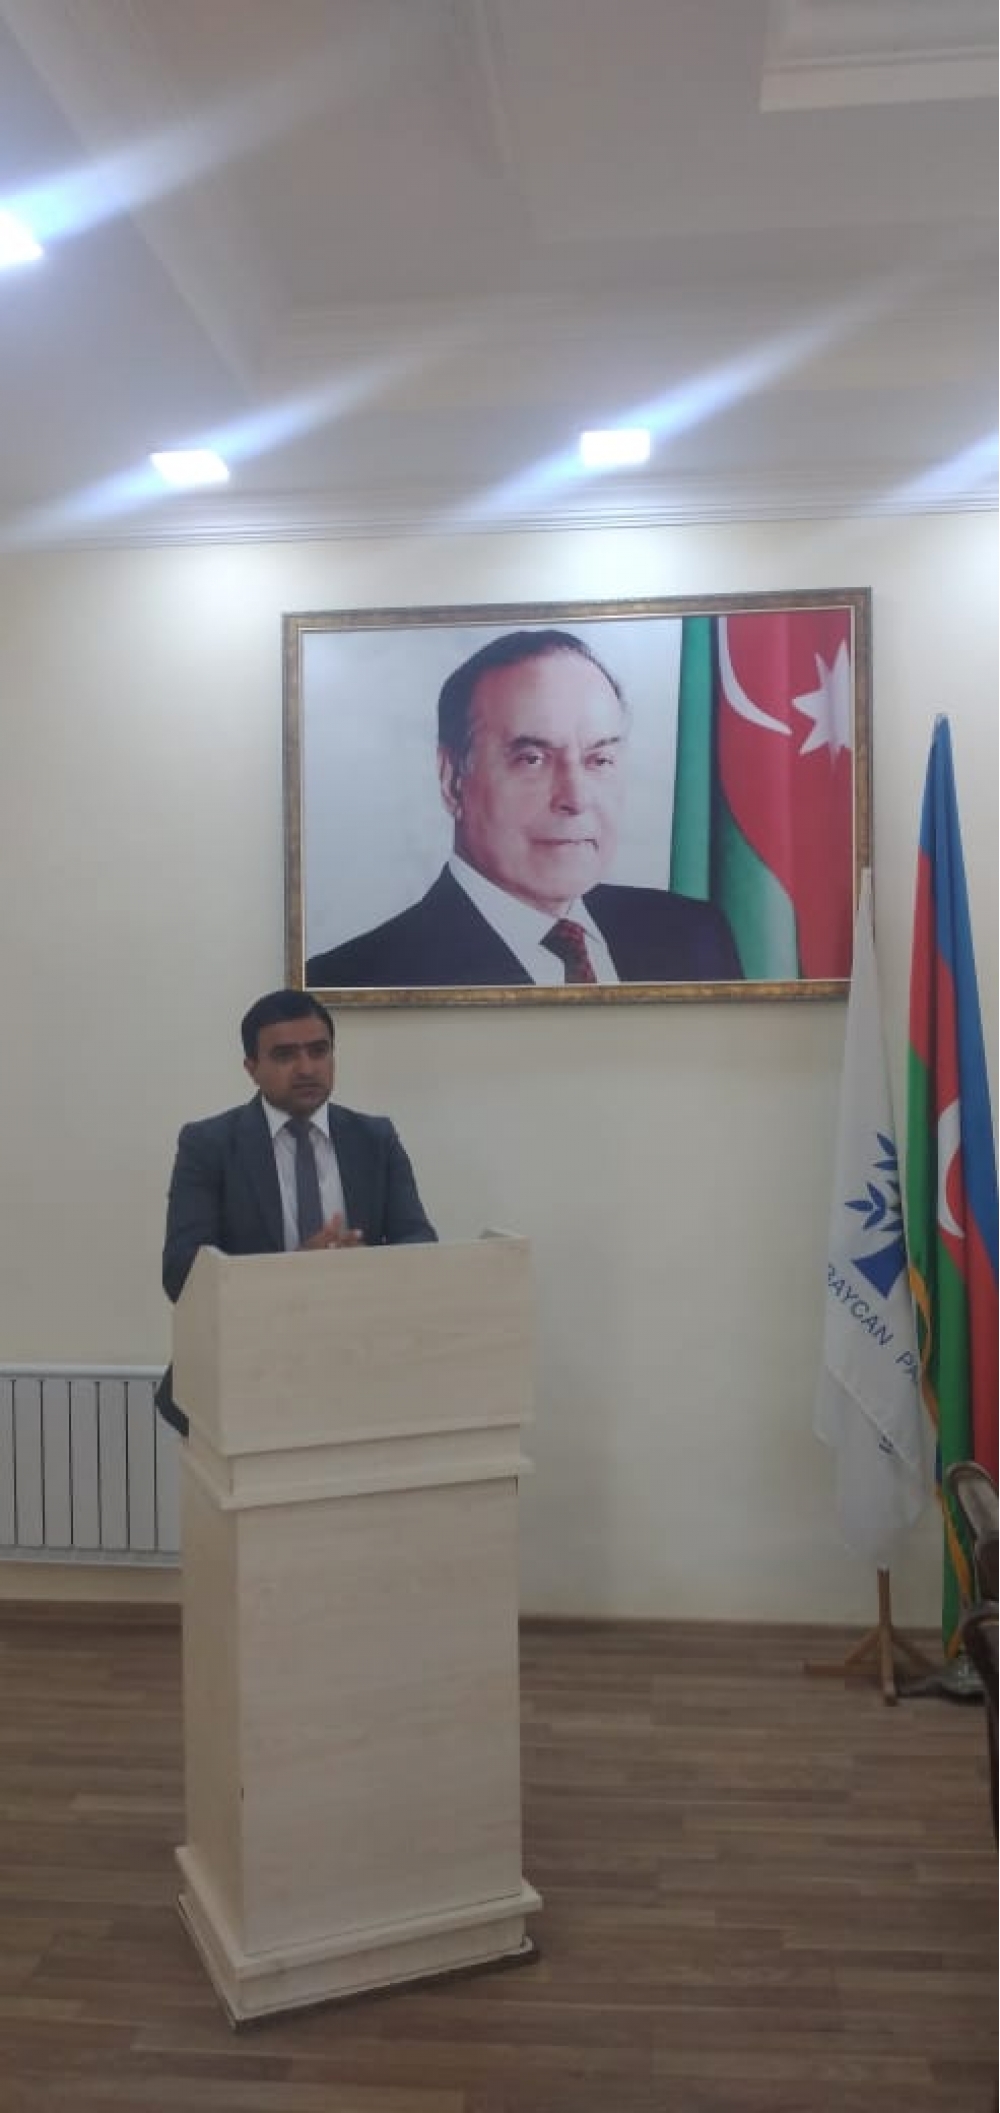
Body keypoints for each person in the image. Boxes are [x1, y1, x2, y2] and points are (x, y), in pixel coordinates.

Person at [305, 629, 741, 989]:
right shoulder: (359, 977)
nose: (575, 798)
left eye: (599, 759)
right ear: (453, 780)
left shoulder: (693, 934)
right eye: (532, 759)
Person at [156, 988, 436, 1433]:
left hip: (362, 1369)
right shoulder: (209, 1145)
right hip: (243, 1377)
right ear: (252, 1068)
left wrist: (361, 1266)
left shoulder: (374, 1138)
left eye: (318, 1051)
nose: (306, 1068)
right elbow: (181, 1272)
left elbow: (420, 1243)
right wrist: (295, 1271)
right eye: (285, 1055)